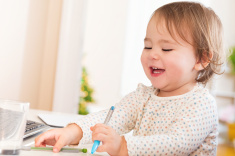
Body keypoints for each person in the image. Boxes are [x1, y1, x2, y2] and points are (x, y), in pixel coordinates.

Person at [35, 1, 225, 155]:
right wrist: (71, 132)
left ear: (201, 59)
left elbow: (177, 144)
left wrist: (122, 147)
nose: (153, 55)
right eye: (148, 46)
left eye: (166, 49)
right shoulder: (144, 96)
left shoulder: (201, 104)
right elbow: (113, 118)